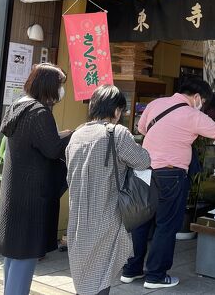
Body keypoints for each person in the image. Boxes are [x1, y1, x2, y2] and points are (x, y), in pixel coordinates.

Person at [122, 77, 215, 289]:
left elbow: (143, 128)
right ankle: (155, 276)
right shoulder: (192, 114)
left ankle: (131, 270)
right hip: (170, 175)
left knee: (141, 222)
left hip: (144, 171)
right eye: (204, 102)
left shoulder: (156, 104)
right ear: (198, 97)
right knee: (166, 225)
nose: (203, 106)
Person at [0, 63, 72, 295]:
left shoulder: (18, 106)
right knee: (25, 256)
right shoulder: (39, 112)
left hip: (13, 192)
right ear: (48, 85)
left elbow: (35, 142)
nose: (61, 91)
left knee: (13, 256)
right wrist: (77, 135)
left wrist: (59, 135)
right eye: (59, 85)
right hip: (31, 196)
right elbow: (53, 150)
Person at [66, 85, 151, 295]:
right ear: (116, 111)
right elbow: (143, 161)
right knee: (100, 275)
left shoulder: (77, 134)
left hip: (78, 218)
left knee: (85, 272)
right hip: (106, 214)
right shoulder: (117, 133)